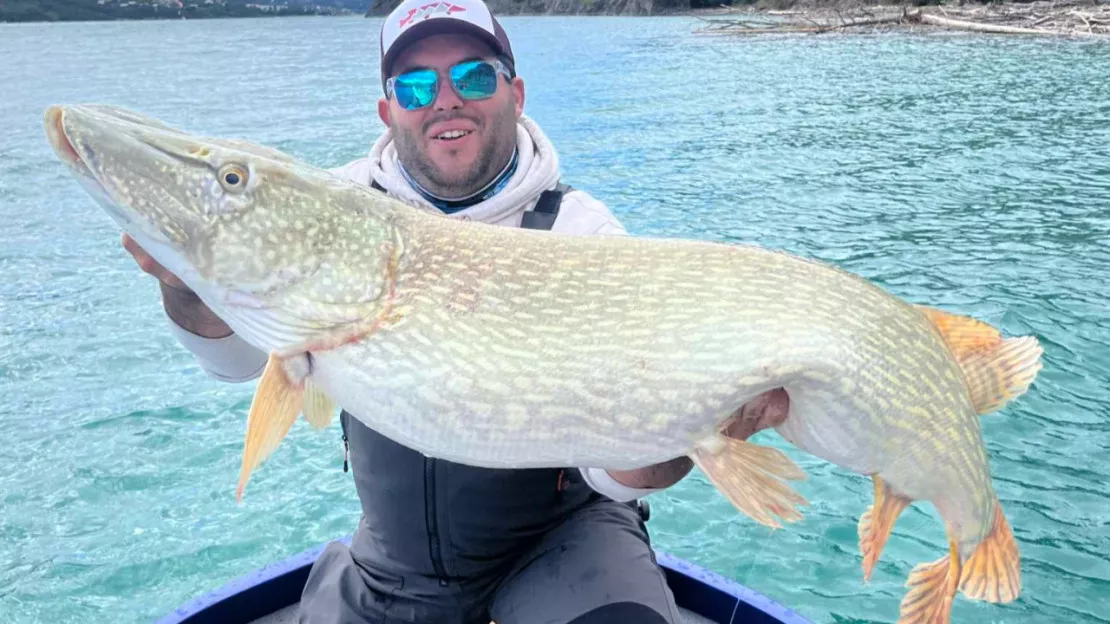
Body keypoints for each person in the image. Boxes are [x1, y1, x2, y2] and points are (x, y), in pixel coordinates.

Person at [123, 0, 791, 621]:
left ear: (515, 92)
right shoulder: (336, 206)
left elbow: (615, 472)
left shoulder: (581, 231)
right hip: (396, 562)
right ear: (389, 111)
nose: (446, 100)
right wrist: (186, 281)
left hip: (566, 541)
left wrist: (681, 437)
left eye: (473, 76)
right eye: (415, 86)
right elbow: (234, 359)